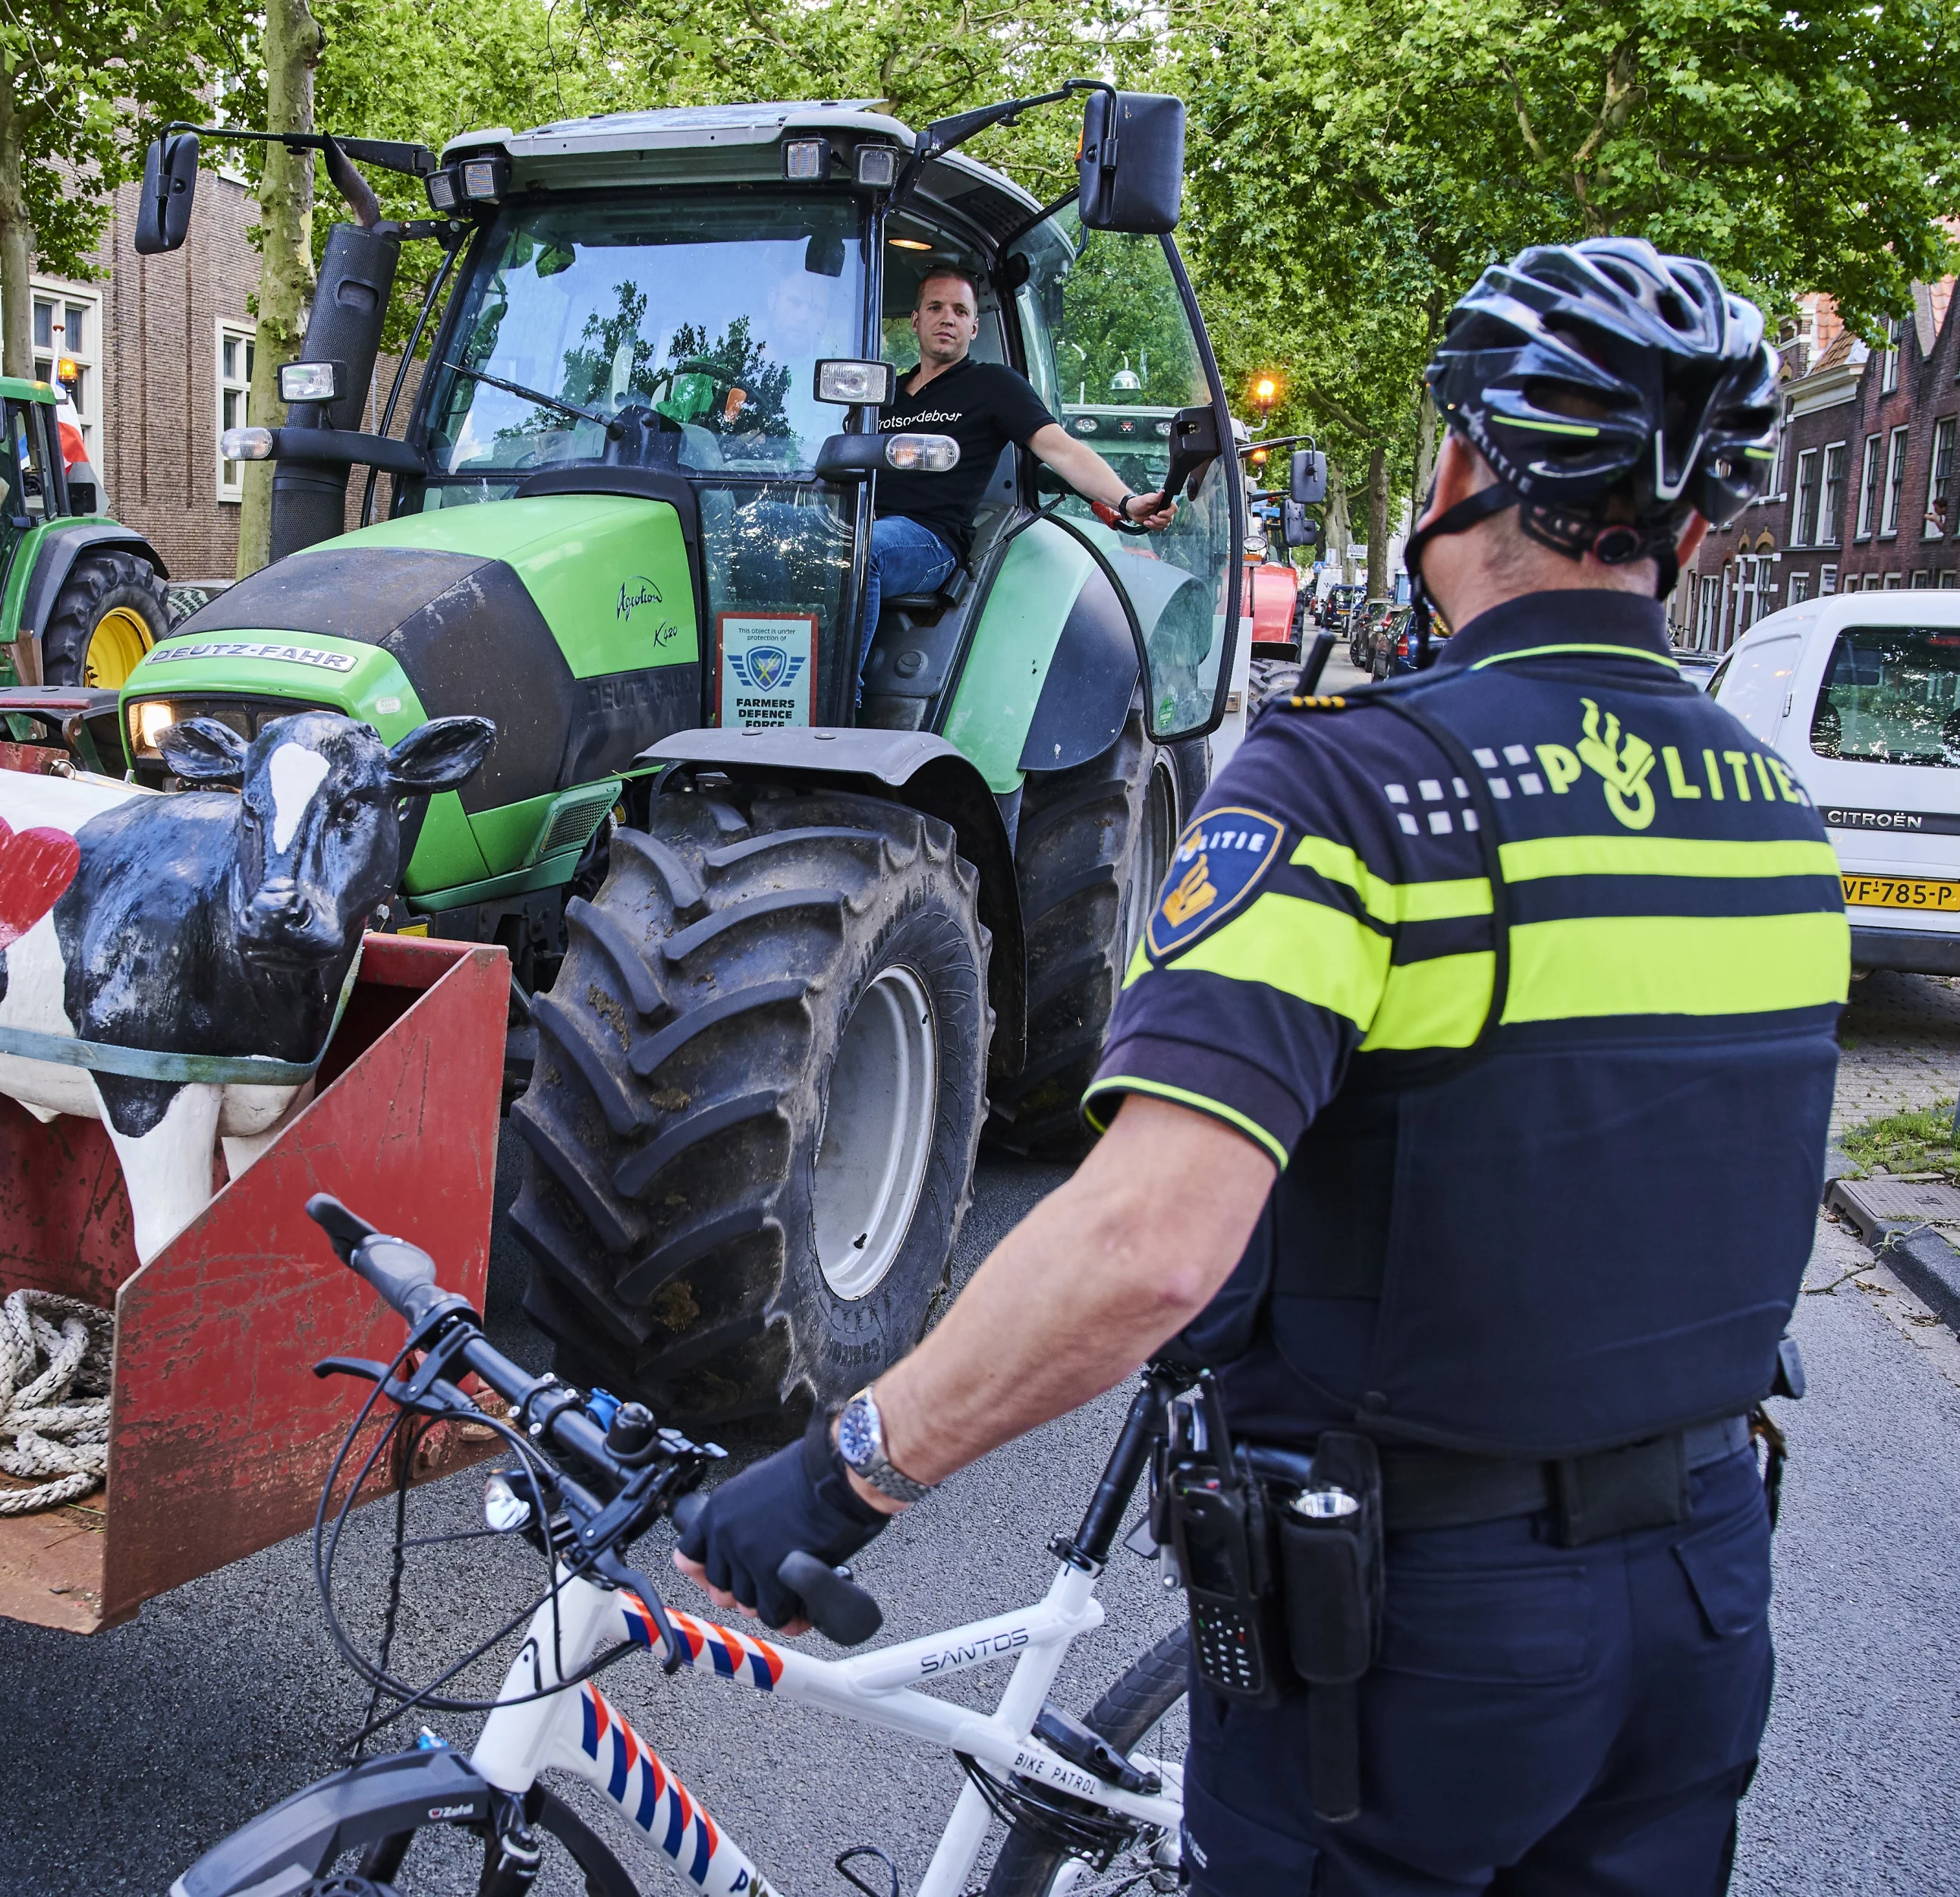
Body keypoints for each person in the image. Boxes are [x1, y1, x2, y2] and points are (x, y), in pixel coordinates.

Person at [680, 238, 1836, 1894]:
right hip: (1707, 1596)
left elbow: (1149, 1243)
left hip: (1416, 1636)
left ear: (1455, 473)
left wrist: (841, 1470)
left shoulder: (1365, 791)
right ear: (1699, 528)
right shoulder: (1775, 814)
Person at [854, 267, 1177, 703]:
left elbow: (1061, 450)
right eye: (935, 307)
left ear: (974, 325)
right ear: (915, 320)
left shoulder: (991, 385)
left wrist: (1127, 500)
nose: (947, 318)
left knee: (863, 550)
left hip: (929, 542)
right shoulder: (884, 395)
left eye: (959, 310)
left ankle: (833, 699)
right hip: (863, 524)